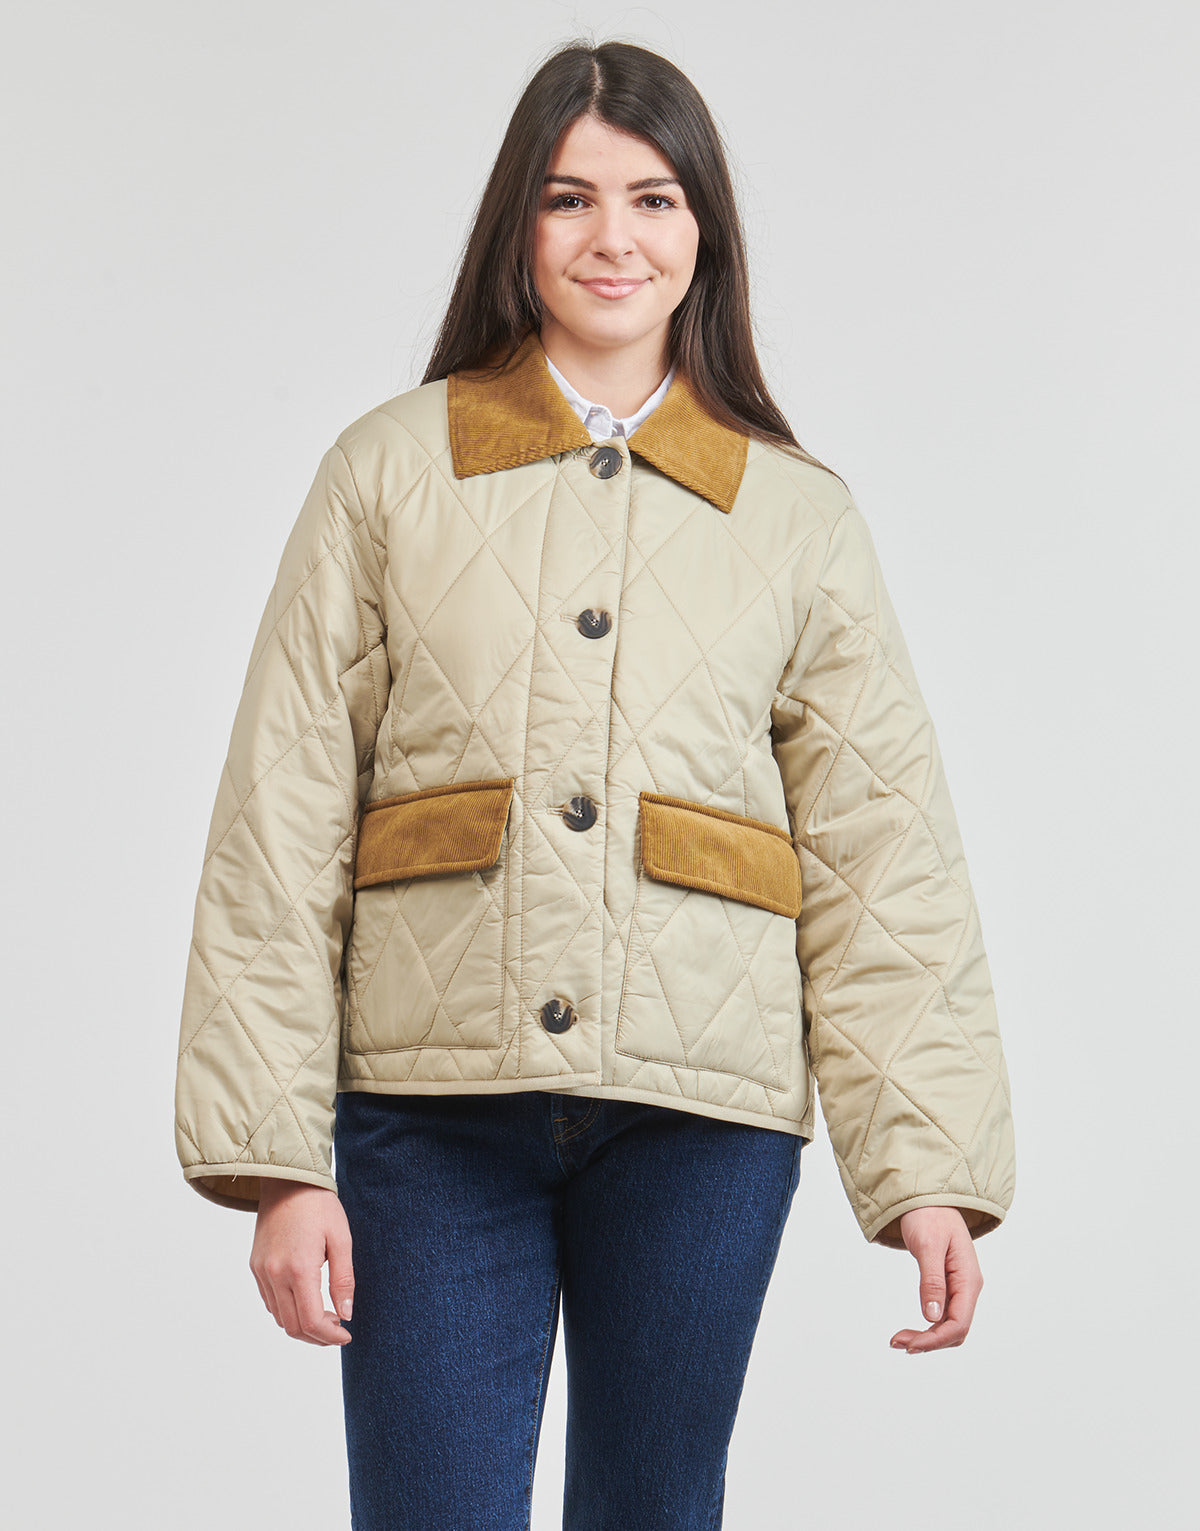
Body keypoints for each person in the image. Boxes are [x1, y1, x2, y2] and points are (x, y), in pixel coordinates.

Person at [174, 37, 1016, 1530]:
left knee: (655, 1511)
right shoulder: (387, 472)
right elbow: (279, 820)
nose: (612, 237)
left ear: (705, 234)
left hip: (703, 1120)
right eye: (570, 199)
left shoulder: (797, 516)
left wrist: (926, 1162)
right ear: (519, 224)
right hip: (430, 1112)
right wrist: (275, 1163)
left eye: (654, 198)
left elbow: (884, 855)